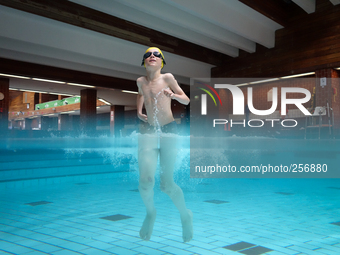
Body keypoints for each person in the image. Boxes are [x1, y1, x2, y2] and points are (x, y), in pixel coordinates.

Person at [136, 47, 193, 242]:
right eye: (148, 55)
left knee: (166, 185)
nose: (152, 56)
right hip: (149, 131)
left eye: (156, 54)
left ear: (162, 61)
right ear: (144, 62)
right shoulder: (140, 81)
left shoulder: (168, 77)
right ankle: (151, 213)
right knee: (145, 182)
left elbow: (186, 100)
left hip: (168, 129)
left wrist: (174, 95)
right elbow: (140, 94)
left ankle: (185, 215)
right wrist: (138, 110)